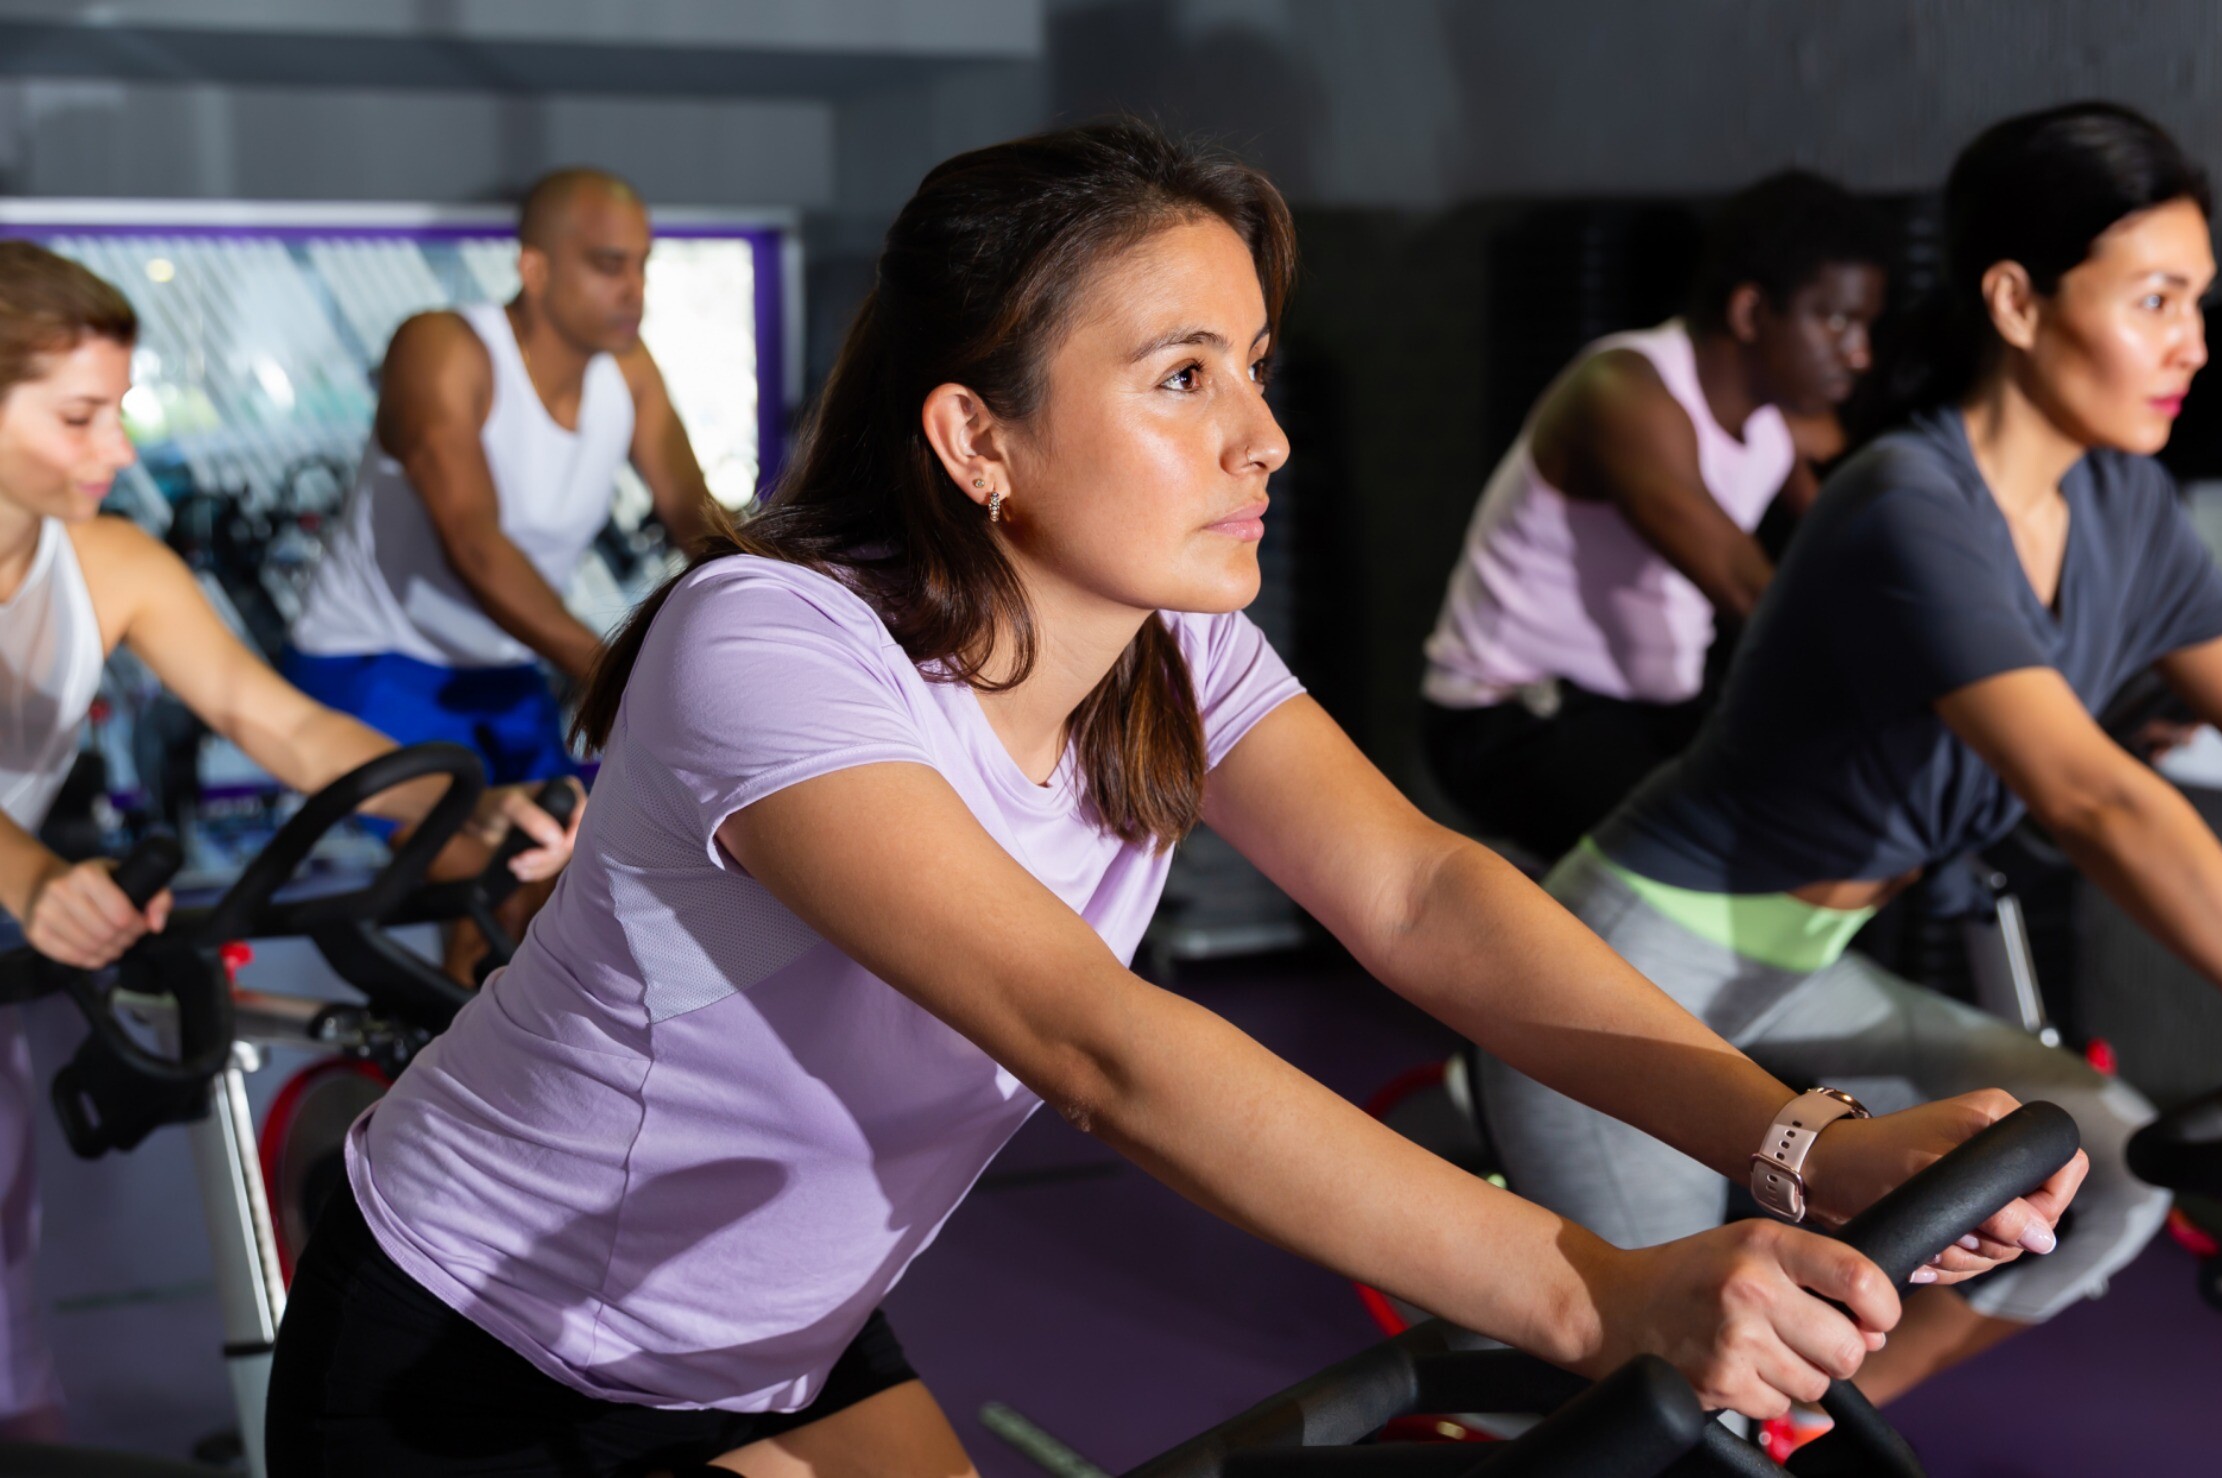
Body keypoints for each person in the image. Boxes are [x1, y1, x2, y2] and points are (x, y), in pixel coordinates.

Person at [265, 121, 2083, 1478]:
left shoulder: (1167, 651)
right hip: (477, 1353)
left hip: (781, 1335)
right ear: (977, 439)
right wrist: (1599, 1295)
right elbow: (1096, 1045)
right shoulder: (771, 643)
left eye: (1255, 374)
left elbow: (1424, 900)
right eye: (1182, 376)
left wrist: (1796, 1140)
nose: (1263, 436)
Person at [1474, 100, 2222, 1411]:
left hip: (1793, 976)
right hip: (1620, 974)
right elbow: (2096, 799)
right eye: (2155, 299)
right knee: (1669, 1393)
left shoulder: (2122, 506)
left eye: (2199, 300)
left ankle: (1802, 1429)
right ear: (2018, 303)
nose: (2192, 344)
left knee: (2097, 1162)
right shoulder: (1907, 508)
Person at [0, 241, 580, 1442]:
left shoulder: (109, 562)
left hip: (16, 936)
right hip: (21, 897)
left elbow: (279, 721)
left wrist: (458, 814)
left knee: (6, 1219)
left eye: (118, 411)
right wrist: (34, 876)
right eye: (78, 417)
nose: (118, 450)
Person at [1419, 172, 1889, 862]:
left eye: (1867, 326)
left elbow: (1867, 537)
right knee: (1723, 848)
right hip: (1512, 717)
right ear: (1752, 312)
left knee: (1828, 814)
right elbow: (1746, 587)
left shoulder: (1787, 418)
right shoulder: (1624, 391)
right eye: (1837, 321)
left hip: (1646, 714)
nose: (1860, 354)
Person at [283, 166, 714, 786]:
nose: (634, 290)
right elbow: (474, 543)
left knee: (565, 853)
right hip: (368, 656)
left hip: (501, 663)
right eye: (608, 265)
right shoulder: (442, 348)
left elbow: (693, 514)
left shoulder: (629, 370)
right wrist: (612, 671)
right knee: (484, 858)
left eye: (642, 265)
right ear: (535, 270)